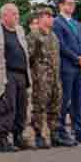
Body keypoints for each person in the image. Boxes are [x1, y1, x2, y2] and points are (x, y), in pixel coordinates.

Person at [0, 3, 31, 152]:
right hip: (6, 74)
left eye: (17, 14)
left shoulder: (20, 30)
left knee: (21, 108)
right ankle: (3, 141)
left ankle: (18, 137)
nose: (17, 17)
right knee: (6, 107)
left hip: (22, 74)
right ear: (4, 16)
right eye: (14, 14)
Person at [53, 0, 81, 144]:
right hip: (67, 66)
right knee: (65, 100)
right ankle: (61, 131)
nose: (72, 7)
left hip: (80, 68)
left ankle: (79, 130)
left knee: (79, 99)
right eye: (68, 4)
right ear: (61, 6)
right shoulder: (57, 23)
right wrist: (77, 58)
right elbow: (61, 46)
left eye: (73, 4)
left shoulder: (77, 24)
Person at [27, 8, 62, 149]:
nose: (51, 19)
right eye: (48, 16)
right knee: (39, 107)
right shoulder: (34, 35)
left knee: (55, 105)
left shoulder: (53, 36)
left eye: (51, 16)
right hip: (40, 78)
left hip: (54, 77)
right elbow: (28, 58)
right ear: (41, 19)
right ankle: (38, 135)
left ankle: (54, 134)